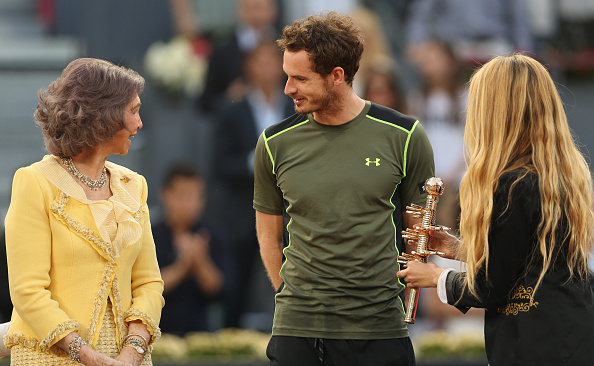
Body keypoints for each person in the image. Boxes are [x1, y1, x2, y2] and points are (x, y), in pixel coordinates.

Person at [253, 12, 434, 365]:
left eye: (300, 79)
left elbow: (420, 234)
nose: (288, 88)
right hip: (296, 331)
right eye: (287, 76)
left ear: (337, 76)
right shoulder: (274, 143)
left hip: (379, 330)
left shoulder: (405, 135)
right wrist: (292, 299)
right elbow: (267, 237)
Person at [397, 54, 594, 365]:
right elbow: (525, 257)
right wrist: (463, 251)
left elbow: (492, 288)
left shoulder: (511, 184)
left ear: (495, 112)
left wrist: (435, 276)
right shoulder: (563, 175)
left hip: (535, 344)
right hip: (572, 332)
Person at [3, 58, 164, 365]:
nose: (139, 124)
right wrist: (89, 356)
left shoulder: (134, 185)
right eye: (133, 110)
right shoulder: (34, 182)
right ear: (104, 114)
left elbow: (148, 282)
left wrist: (132, 353)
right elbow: (28, 290)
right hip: (51, 358)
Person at [212, 41, 293, 329]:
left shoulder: (295, 104)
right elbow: (220, 164)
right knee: (238, 288)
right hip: (244, 213)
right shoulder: (231, 107)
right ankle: (231, 344)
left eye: (273, 61)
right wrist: (257, 161)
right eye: (260, 61)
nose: (267, 68)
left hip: (291, 212)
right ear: (248, 67)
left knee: (291, 284)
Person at [153, 163, 228, 335]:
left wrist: (200, 261)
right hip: (156, 332)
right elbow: (145, 289)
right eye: (184, 196)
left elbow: (219, 290)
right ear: (165, 194)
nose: (191, 204)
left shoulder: (213, 235)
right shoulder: (149, 236)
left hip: (201, 334)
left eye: (198, 197)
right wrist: (183, 267)